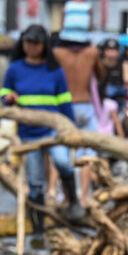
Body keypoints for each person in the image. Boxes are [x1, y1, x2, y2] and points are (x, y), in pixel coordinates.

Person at [2, 24, 85, 227]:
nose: (31, 47)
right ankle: (38, 226)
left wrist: (70, 128)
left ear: (43, 45)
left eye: (36, 43)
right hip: (29, 132)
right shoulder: (15, 69)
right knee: (35, 181)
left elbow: (65, 101)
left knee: (63, 163)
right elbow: (4, 93)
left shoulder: (54, 71)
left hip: (54, 130)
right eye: (28, 42)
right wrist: (9, 98)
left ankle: (73, 202)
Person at [53, 17, 101, 203]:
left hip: (64, 105)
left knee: (61, 152)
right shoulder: (92, 52)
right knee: (88, 153)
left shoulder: (57, 53)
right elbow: (101, 74)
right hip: (85, 104)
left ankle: (62, 196)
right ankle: (83, 197)